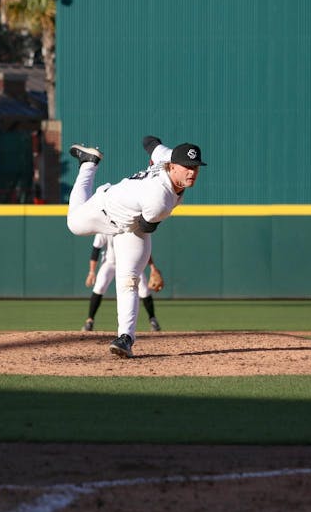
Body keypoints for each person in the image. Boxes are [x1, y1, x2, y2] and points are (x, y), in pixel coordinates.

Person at [66, 135, 206, 358]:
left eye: (195, 167)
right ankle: (88, 164)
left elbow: (149, 141)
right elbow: (146, 225)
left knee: (129, 280)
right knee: (74, 224)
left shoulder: (167, 156)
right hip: (106, 210)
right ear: (172, 166)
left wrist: (155, 158)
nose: (192, 172)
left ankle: (125, 338)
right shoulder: (160, 200)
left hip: (132, 224)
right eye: (187, 167)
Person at [81, 234, 163, 332]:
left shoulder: (131, 228)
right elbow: (96, 250)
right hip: (110, 263)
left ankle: (153, 320)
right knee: (99, 287)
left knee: (144, 290)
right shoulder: (105, 228)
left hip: (129, 263)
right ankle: (89, 320)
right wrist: (91, 271)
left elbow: (143, 248)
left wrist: (152, 267)